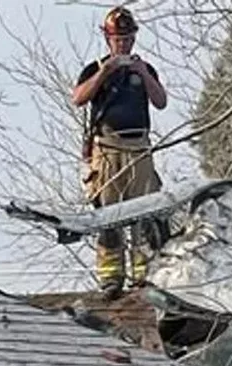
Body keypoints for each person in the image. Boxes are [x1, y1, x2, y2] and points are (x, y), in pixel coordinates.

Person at [72, 5, 168, 300]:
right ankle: (112, 277)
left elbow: (161, 101)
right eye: (118, 39)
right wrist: (105, 73)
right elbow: (78, 98)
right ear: (108, 39)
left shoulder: (145, 68)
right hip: (107, 148)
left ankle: (143, 275)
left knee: (143, 212)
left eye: (127, 38)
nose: (123, 44)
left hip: (139, 147)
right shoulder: (95, 69)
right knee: (110, 214)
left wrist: (142, 73)